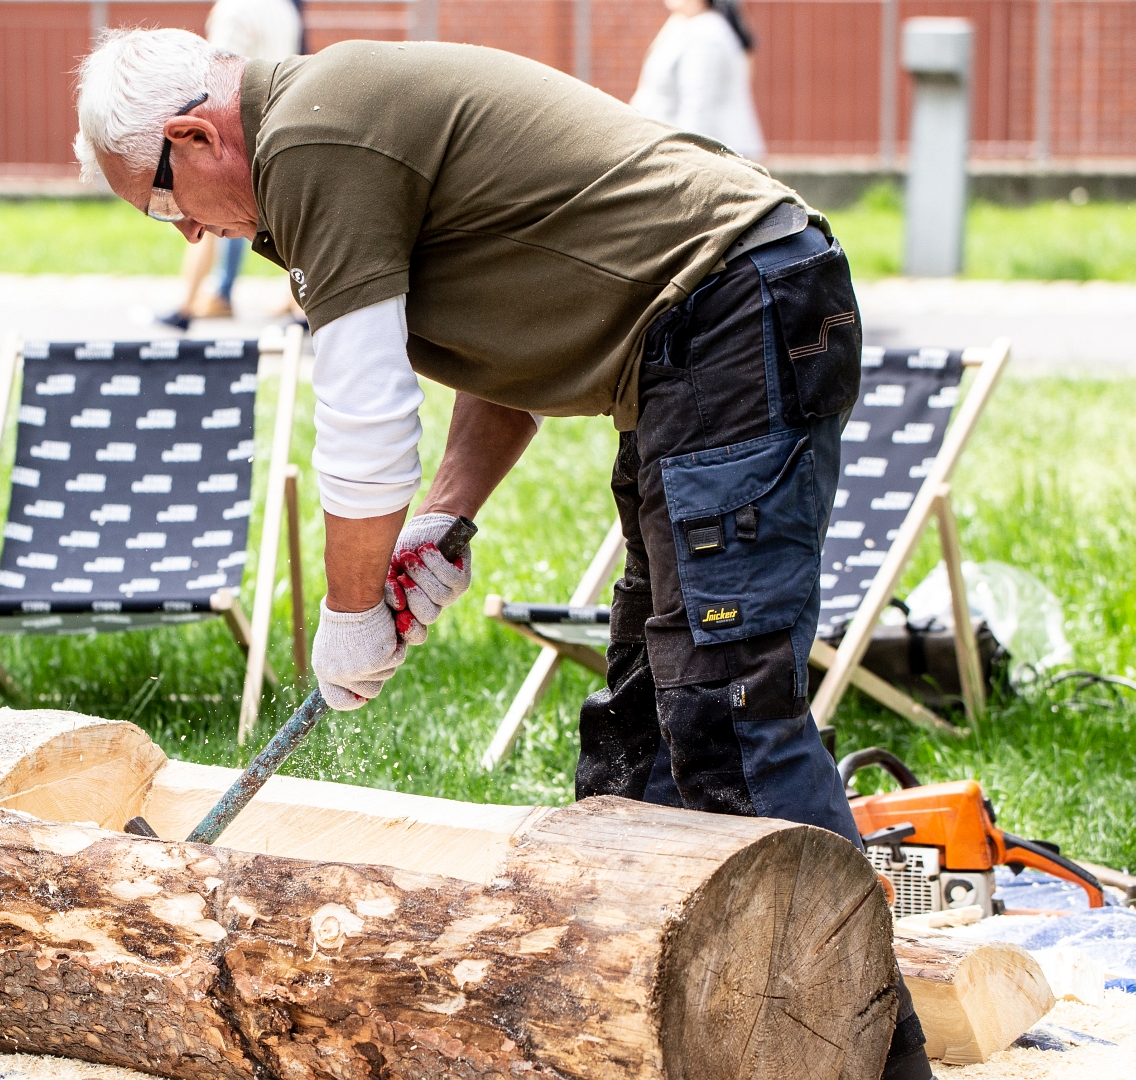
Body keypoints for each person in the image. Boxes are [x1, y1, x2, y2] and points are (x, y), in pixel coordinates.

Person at [74, 29, 931, 1079]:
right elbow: (517, 338)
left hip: (731, 312)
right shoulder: (331, 137)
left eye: (169, 205)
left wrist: (349, 619)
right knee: (646, 716)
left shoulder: (310, 142)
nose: (187, 232)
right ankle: (655, 1024)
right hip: (700, 335)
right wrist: (444, 519)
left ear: (194, 134)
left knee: (726, 711)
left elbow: (364, 424)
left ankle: (872, 1056)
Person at [157, 0, 301, 330]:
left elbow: (216, 76)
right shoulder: (283, 9)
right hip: (278, 120)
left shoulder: (234, 9)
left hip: (234, 130)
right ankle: (290, 308)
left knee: (208, 215)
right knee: (275, 220)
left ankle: (188, 305)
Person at [630, 0, 766, 160]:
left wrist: (682, 155)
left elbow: (697, 104)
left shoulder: (705, 32)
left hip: (714, 156)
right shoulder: (681, 24)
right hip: (690, 151)